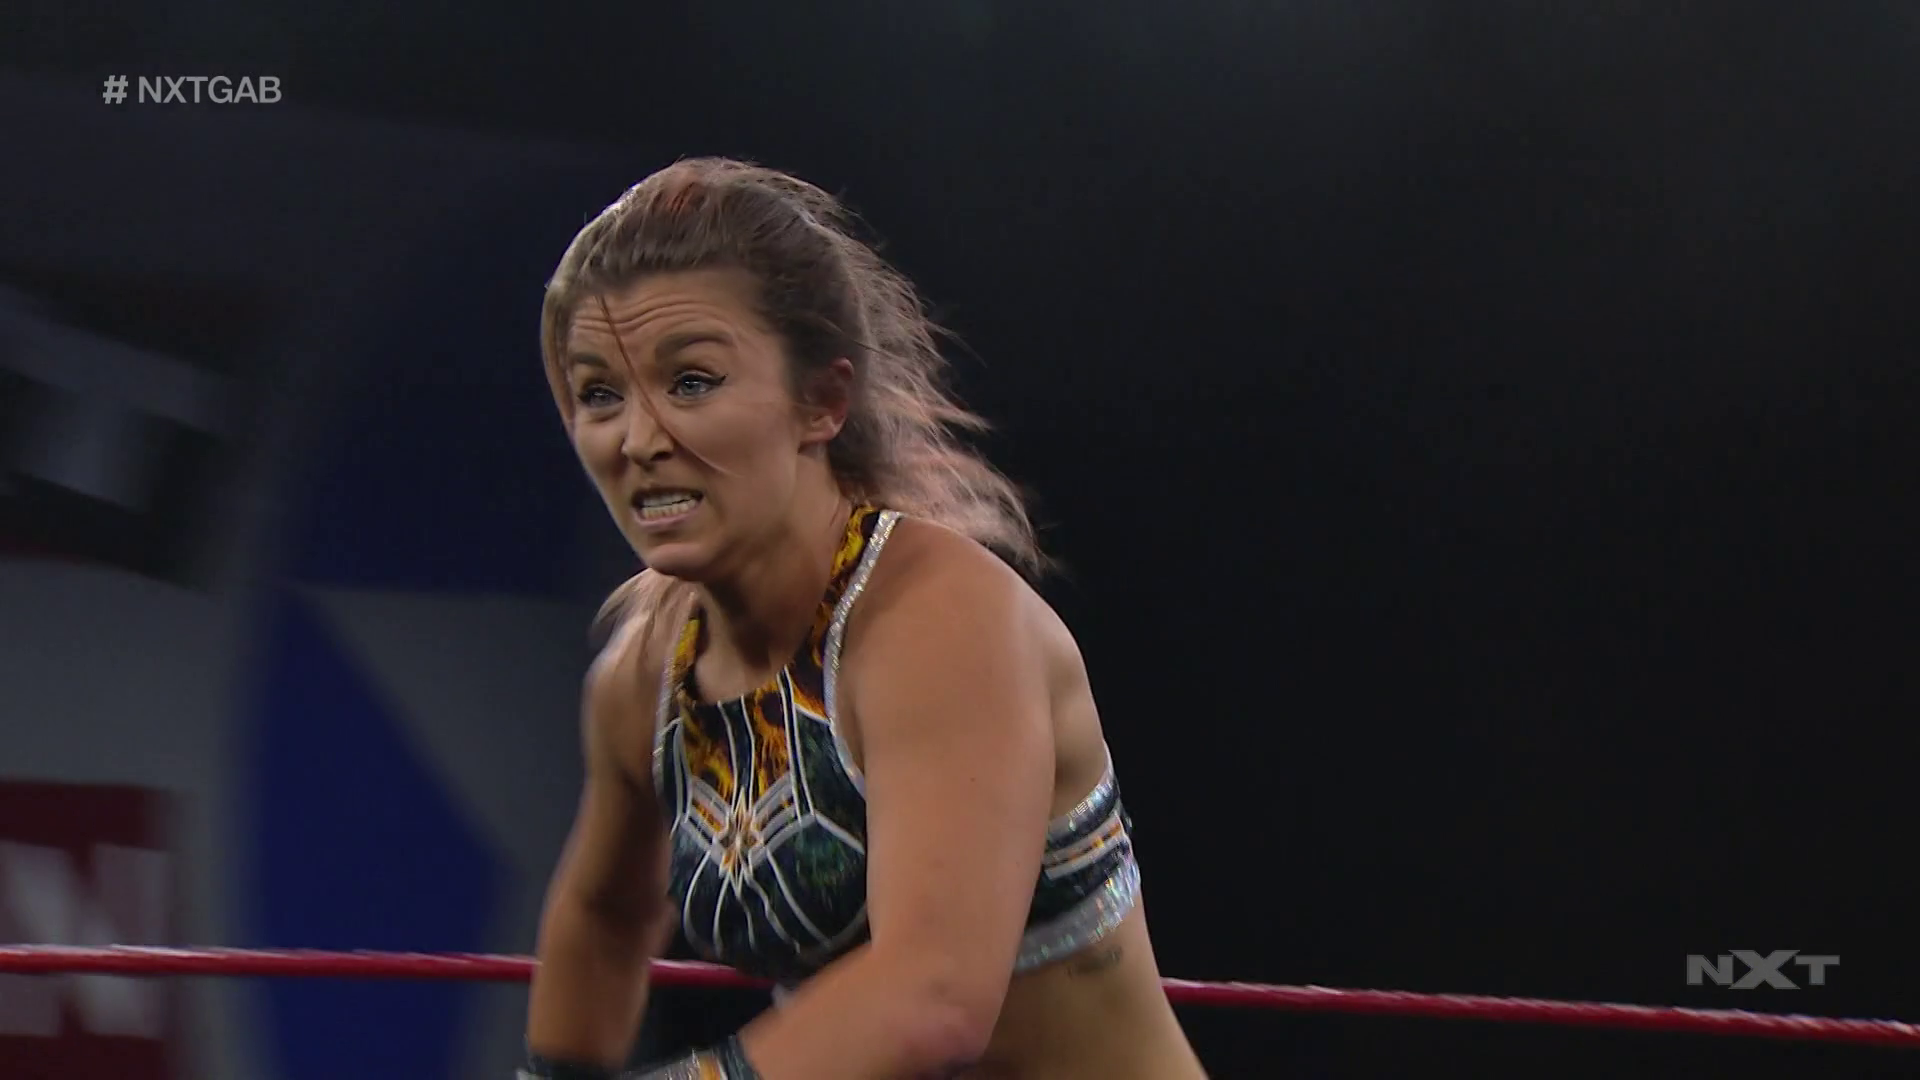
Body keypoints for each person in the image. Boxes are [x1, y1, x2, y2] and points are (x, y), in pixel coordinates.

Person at [521, 157, 1207, 1079]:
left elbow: (932, 996)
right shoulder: (643, 676)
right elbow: (606, 918)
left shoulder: (940, 621)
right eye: (600, 394)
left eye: (691, 382)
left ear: (822, 403)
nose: (639, 441)